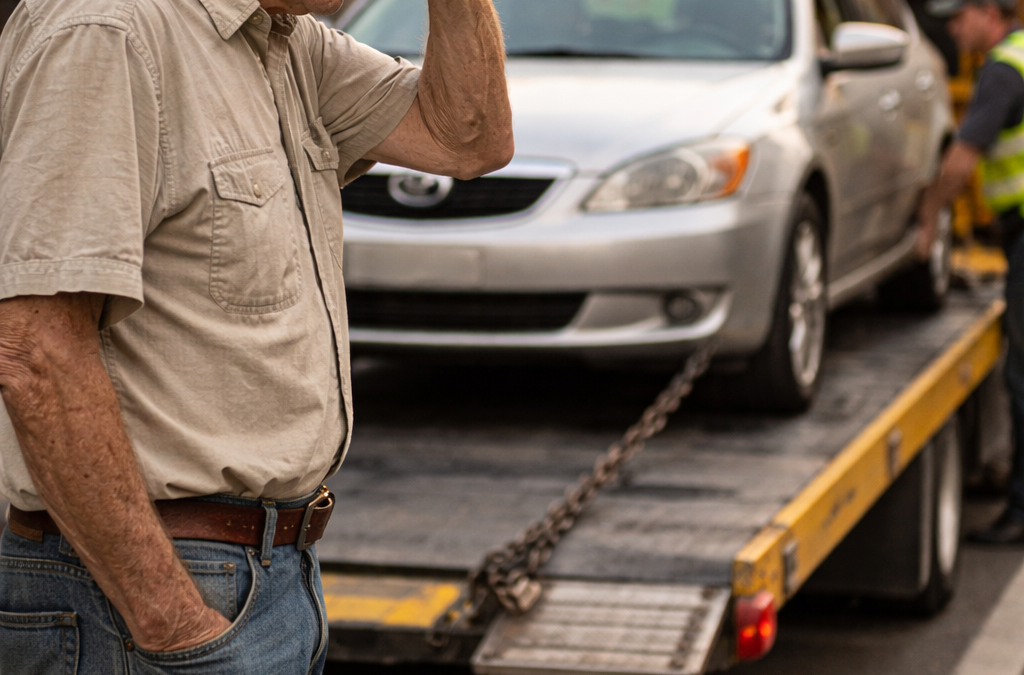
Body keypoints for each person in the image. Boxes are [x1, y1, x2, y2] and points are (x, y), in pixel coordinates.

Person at [0, 0, 513, 673]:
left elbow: (469, 141)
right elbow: (34, 350)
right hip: (140, 601)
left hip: (268, 577)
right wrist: (173, 622)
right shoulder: (106, 31)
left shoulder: (288, 42)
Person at [919, 0, 1024, 543]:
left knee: (1022, 374)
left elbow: (963, 157)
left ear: (988, 12)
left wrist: (928, 216)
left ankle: (1022, 511)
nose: (952, 29)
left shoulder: (1004, 69)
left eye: (959, 17)